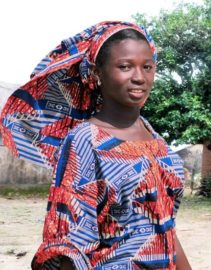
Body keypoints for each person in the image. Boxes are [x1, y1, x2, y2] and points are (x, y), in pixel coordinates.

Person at [0, 21, 191, 270]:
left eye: (147, 67)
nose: (139, 77)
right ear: (97, 73)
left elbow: (165, 228)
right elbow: (69, 245)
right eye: (125, 66)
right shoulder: (85, 141)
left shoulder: (156, 140)